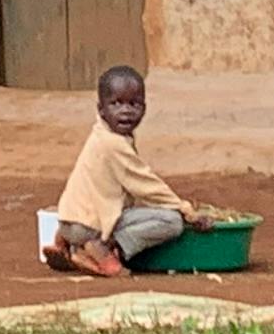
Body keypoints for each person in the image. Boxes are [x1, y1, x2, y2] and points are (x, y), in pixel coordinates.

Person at [39, 64, 194, 275]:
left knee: (121, 207)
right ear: (101, 109)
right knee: (172, 222)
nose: (126, 111)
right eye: (116, 103)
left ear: (145, 108)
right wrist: (184, 209)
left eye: (134, 104)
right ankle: (109, 250)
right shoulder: (113, 144)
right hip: (87, 228)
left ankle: (70, 246)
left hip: (69, 221)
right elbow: (146, 185)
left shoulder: (101, 134)